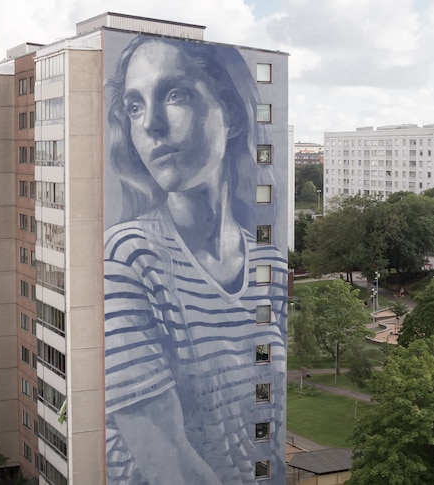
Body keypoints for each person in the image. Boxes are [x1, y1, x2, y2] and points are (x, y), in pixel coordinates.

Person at [103, 35, 287, 484]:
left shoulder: (270, 267)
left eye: (174, 94)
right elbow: (169, 465)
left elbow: (271, 438)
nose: (152, 126)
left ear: (231, 114)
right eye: (134, 106)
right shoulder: (129, 257)